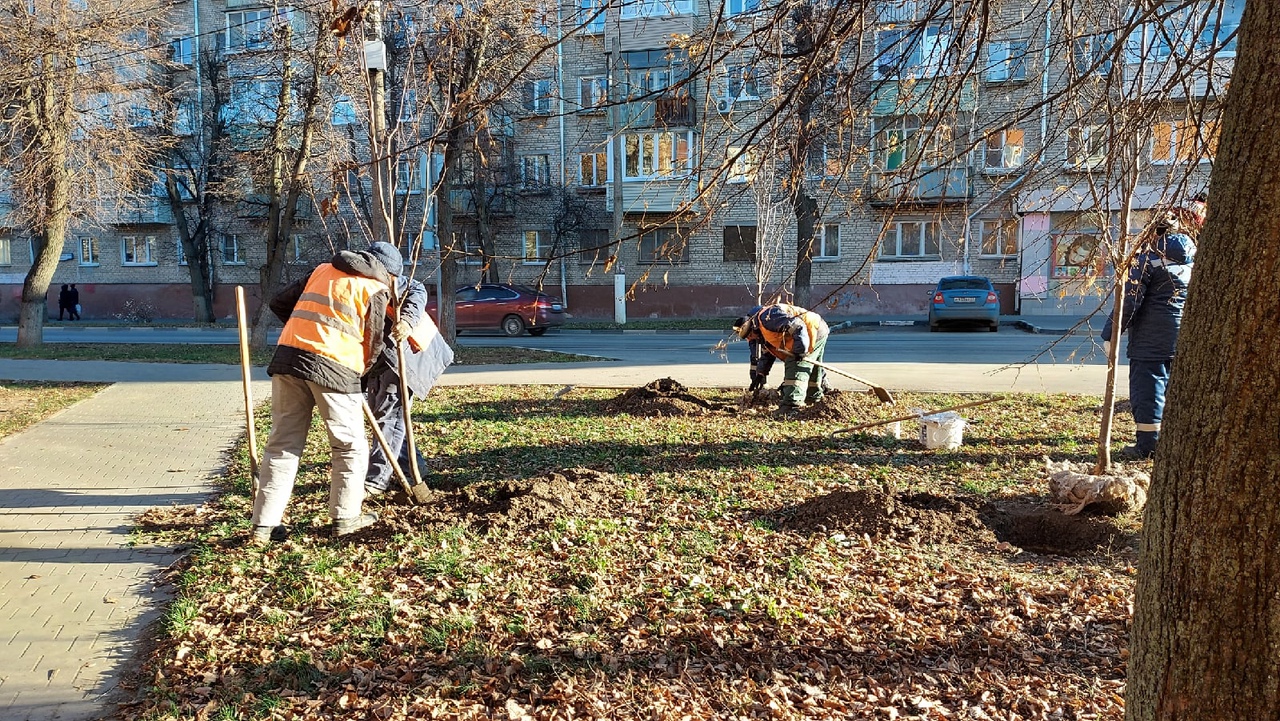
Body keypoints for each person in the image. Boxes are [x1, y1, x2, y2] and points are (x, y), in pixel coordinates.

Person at [250, 242, 402, 543]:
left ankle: (264, 525)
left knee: (282, 445)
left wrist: (308, 335)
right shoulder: (374, 289)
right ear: (388, 272)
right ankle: (346, 518)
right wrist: (363, 372)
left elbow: (281, 303)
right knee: (350, 447)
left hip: (288, 358)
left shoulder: (322, 270)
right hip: (335, 368)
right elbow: (372, 344)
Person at [1102, 200, 1203, 460]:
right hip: (1183, 337)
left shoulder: (1147, 258)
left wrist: (1110, 334)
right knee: (1175, 391)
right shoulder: (1195, 260)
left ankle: (1148, 446)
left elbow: (1129, 300)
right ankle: (1176, 444)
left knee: (1148, 392)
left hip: (1149, 341)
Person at [363, 273, 454, 497]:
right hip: (382, 359)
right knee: (384, 417)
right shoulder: (355, 283)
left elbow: (417, 288)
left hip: (409, 356)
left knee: (389, 417)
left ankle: (376, 481)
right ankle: (414, 469)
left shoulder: (381, 277)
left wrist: (407, 321)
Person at [733, 303, 830, 411]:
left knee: (795, 368)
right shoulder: (763, 330)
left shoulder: (767, 318)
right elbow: (768, 354)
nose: (750, 339)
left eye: (749, 336)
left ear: (751, 329)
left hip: (810, 330)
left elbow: (797, 325)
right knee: (812, 369)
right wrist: (761, 373)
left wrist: (800, 351)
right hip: (817, 328)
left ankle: (791, 406)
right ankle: (813, 400)